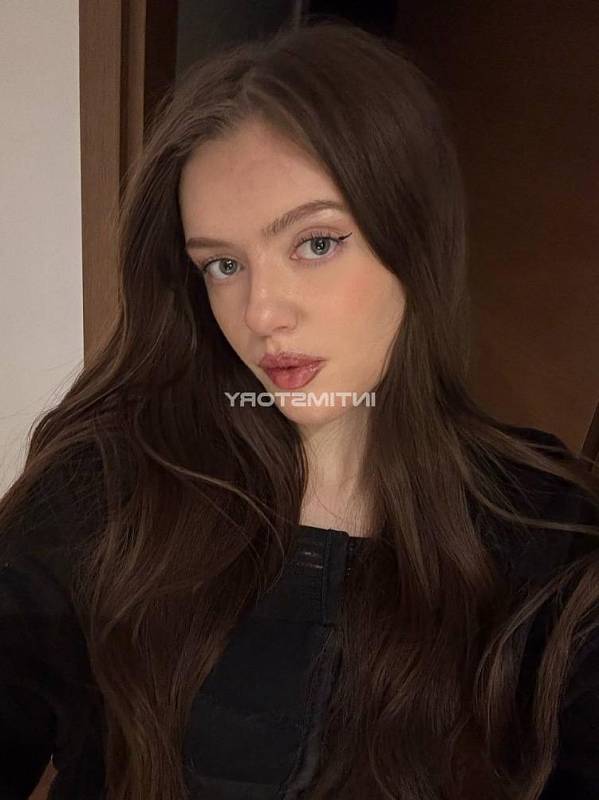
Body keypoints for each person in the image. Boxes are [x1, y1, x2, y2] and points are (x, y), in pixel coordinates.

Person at [1, 17, 598, 800]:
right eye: (222, 264)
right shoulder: (102, 490)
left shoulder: (545, 528)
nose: (260, 313)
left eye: (315, 244)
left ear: (414, 240)